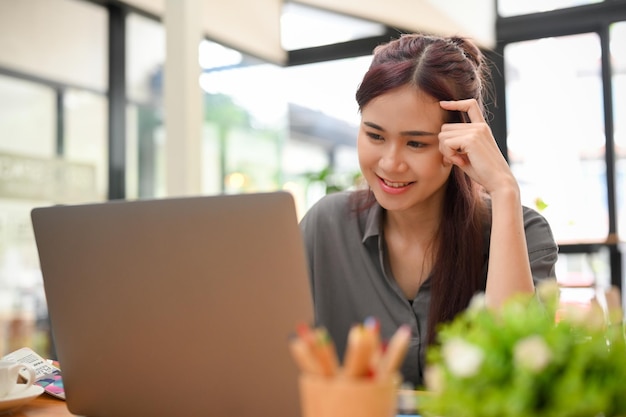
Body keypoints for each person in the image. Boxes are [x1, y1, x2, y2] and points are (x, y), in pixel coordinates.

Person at [299, 33, 558, 388]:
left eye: (416, 143)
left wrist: (504, 190)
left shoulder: (523, 231)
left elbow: (518, 379)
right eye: (375, 136)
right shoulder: (325, 225)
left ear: (460, 140)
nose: (390, 164)